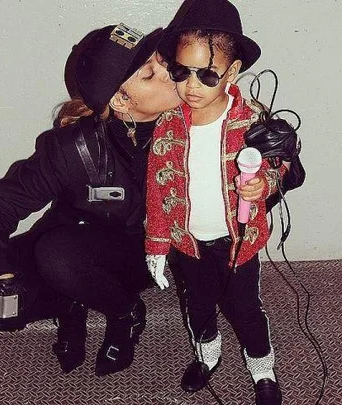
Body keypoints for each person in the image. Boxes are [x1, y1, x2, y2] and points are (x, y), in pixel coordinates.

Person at [0, 22, 181, 377]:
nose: (169, 72)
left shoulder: (198, 124)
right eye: (150, 73)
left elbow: (260, 181)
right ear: (120, 99)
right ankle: (72, 299)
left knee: (57, 255)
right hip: (71, 244)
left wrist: (279, 163)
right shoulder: (71, 149)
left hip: (139, 254)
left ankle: (123, 312)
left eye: (159, 60)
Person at [144, 1, 303, 404]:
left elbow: (280, 168)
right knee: (196, 307)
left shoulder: (252, 120)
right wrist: (157, 246)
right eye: (181, 72)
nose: (191, 86)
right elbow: (157, 189)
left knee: (245, 310)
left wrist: (264, 184)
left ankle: (262, 366)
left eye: (207, 74)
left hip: (239, 242)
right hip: (189, 242)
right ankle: (207, 354)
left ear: (231, 72)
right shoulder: (168, 124)